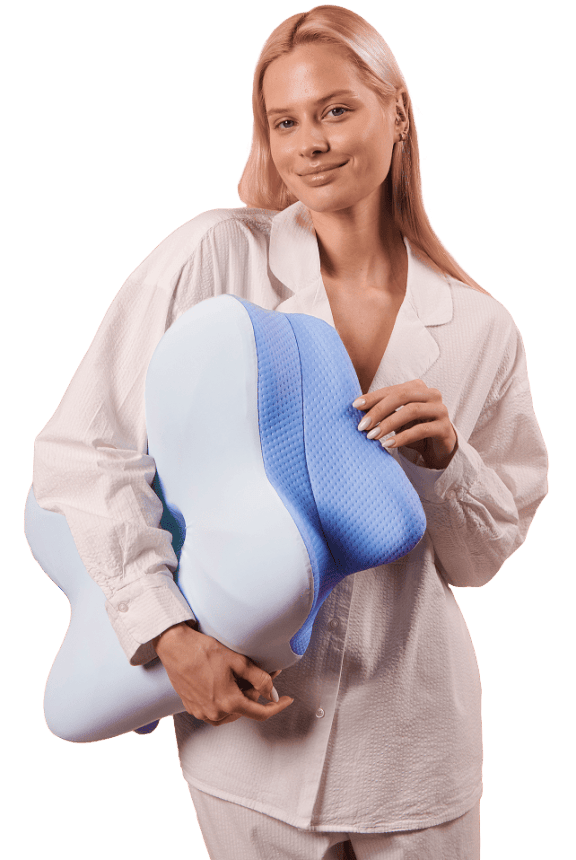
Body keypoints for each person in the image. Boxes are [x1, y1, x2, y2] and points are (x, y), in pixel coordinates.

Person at [31, 4, 548, 858]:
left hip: (413, 748)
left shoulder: (481, 326)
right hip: (247, 741)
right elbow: (83, 452)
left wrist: (448, 463)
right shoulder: (214, 257)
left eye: (336, 110)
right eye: (286, 122)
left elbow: (479, 561)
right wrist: (166, 633)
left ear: (398, 112)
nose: (311, 143)